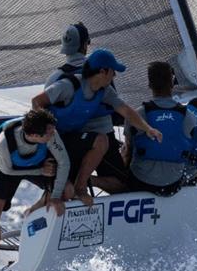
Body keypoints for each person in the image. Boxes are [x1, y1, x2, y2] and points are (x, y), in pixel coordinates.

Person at [32, 48, 162, 204]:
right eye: (113, 71)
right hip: (53, 141)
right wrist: (45, 131)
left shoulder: (104, 91)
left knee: (102, 141)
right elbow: (37, 102)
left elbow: (125, 109)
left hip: (72, 140)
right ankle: (36, 210)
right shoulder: (68, 85)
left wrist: (148, 129)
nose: (114, 75)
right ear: (103, 71)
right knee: (64, 191)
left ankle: (81, 187)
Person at [0, 109, 72, 271]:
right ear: (35, 135)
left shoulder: (51, 135)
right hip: (8, 167)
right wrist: (40, 171)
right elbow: (8, 171)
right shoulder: (6, 141)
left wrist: (55, 197)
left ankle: (35, 209)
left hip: (39, 163)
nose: (54, 134)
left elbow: (64, 162)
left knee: (67, 190)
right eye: (49, 133)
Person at [46, 24, 126, 192]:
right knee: (122, 184)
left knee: (64, 187)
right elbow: (115, 112)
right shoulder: (102, 72)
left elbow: (45, 114)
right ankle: (90, 180)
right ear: (85, 45)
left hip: (71, 142)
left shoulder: (54, 78)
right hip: (103, 138)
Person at [120, 61, 197, 196]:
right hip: (172, 184)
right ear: (172, 84)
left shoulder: (137, 115)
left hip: (141, 182)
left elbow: (128, 152)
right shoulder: (189, 116)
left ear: (149, 84)